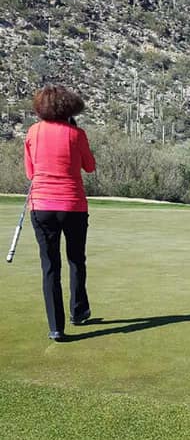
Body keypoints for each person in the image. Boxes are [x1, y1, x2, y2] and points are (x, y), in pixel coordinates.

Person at [24, 84, 96, 341]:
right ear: (69, 109)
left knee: (50, 266)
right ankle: (78, 311)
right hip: (73, 206)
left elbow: (30, 173)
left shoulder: (33, 132)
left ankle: (56, 327)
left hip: (42, 207)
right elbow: (90, 166)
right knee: (76, 259)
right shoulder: (77, 134)